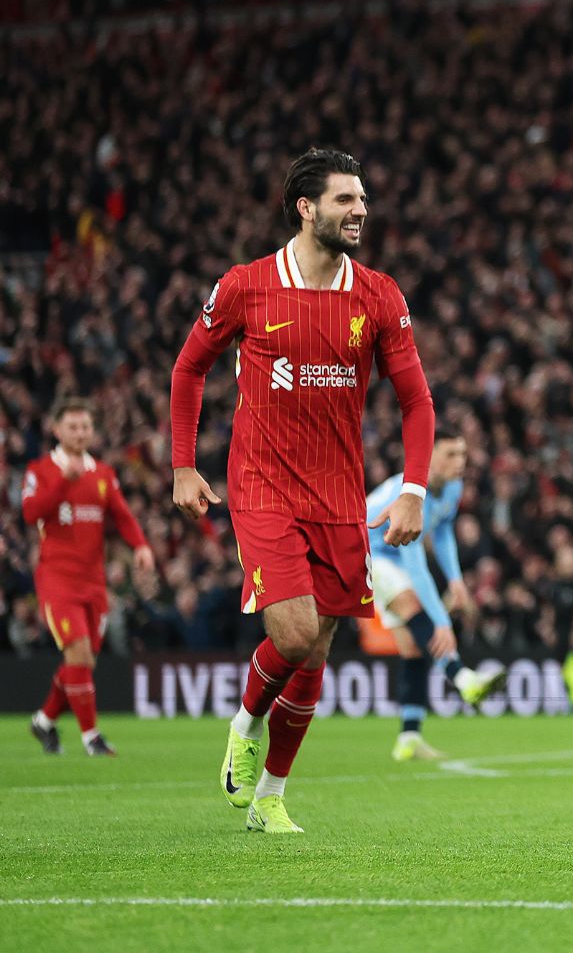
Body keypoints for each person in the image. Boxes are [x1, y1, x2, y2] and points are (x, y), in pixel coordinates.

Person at [170, 148, 435, 833]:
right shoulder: (246, 287)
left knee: (316, 650)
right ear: (306, 207)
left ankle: (271, 798)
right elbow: (189, 368)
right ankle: (244, 722)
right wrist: (182, 465)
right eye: (346, 199)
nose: (361, 210)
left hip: (339, 492)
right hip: (261, 483)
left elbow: (416, 400)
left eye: (363, 198)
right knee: (290, 632)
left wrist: (413, 490)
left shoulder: (379, 295)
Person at [23, 396, 155, 756]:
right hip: (57, 578)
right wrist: (62, 484)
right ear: (56, 429)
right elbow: (30, 511)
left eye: (85, 427)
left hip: (93, 581)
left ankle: (44, 721)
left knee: (81, 662)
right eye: (73, 426)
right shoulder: (40, 471)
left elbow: (124, 515)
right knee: (79, 654)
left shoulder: (103, 474)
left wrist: (141, 546)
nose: (80, 433)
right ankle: (91, 737)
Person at [367, 430, 505, 761]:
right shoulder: (413, 495)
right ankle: (463, 678)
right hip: (366, 550)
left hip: (393, 555)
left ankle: (409, 737)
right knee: (416, 607)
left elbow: (442, 533)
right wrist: (441, 622)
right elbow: (416, 567)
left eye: (462, 454)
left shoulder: (453, 488)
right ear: (427, 457)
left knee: (414, 648)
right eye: (451, 455)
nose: (460, 463)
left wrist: (456, 582)